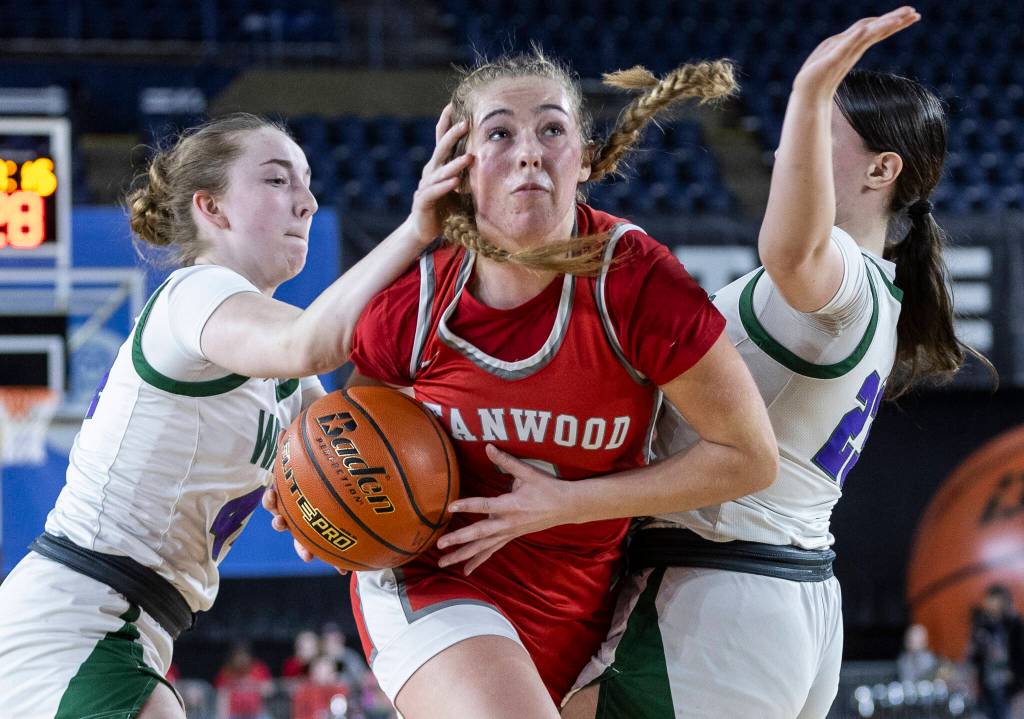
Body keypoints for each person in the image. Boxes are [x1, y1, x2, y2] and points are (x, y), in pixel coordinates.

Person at [560, 7, 994, 718]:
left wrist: (811, 85)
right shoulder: (874, 289)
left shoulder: (846, 274)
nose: (787, 150)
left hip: (719, 600)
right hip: (778, 598)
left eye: (821, 130)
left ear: (883, 169)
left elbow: (787, 251)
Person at [332, 50, 779, 719]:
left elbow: (749, 455)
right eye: (500, 133)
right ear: (461, 162)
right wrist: (316, 504)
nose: (528, 152)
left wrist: (564, 503)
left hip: (584, 600)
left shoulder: (638, 280)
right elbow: (344, 437)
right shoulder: (418, 303)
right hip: (436, 583)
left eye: (551, 129)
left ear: (586, 158)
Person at [0, 109, 472, 718]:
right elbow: (309, 339)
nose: (306, 202)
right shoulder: (195, 293)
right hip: (75, 621)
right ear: (211, 209)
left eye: (306, 182)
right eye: (278, 181)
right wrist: (416, 232)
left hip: (125, 624)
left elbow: (366, 443)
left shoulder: (286, 369)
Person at [968, 585, 1024, 719]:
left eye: (992, 599)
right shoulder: (981, 624)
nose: (988, 603)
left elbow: (1020, 653)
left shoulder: (1014, 623)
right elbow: (973, 654)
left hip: (1008, 681)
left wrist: (1016, 674)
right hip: (987, 680)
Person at [213, 643, 273, 719]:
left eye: (244, 655)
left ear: (249, 657)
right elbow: (221, 696)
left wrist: (252, 685)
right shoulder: (226, 672)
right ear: (232, 658)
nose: (241, 659)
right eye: (238, 656)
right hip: (233, 714)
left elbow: (268, 690)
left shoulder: (259, 669)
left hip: (256, 714)